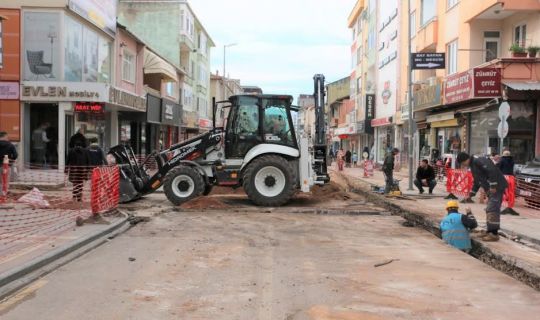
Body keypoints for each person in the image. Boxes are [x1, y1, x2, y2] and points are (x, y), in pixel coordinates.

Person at [457, 152, 508, 242]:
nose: (463, 165)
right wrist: (471, 194)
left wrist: (493, 185)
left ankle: (494, 234)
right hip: (492, 188)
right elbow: (477, 181)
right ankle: (489, 231)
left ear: (465, 160)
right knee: (490, 209)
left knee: (492, 209)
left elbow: (491, 170)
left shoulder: (478, 160)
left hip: (497, 186)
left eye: (462, 163)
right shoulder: (473, 165)